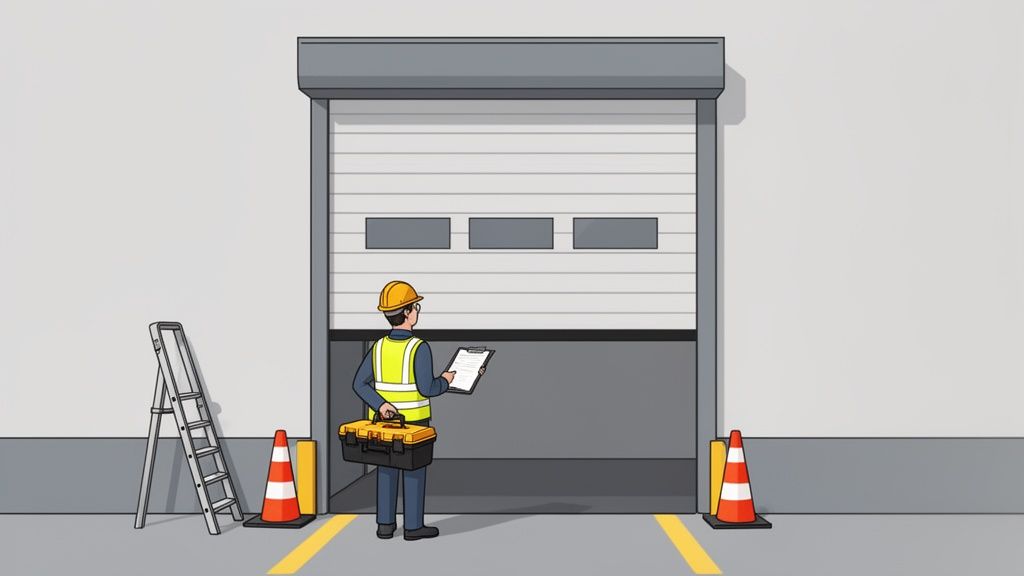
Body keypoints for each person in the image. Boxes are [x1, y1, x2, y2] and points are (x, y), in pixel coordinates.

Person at [351, 280, 480, 541]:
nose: (417, 311)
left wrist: (381, 405)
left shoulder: (378, 347)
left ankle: (385, 526)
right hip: (414, 424)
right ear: (408, 312)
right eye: (415, 307)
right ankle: (412, 527)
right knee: (413, 472)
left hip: (383, 425)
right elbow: (428, 388)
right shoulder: (418, 348)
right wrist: (447, 380)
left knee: (385, 470)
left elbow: (358, 384)